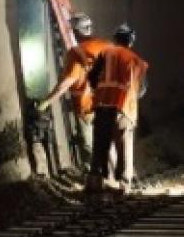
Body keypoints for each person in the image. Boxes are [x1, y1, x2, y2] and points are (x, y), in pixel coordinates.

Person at [37, 12, 109, 168]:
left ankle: (97, 183)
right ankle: (122, 181)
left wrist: (47, 101)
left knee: (90, 147)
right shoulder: (106, 45)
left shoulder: (76, 53)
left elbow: (66, 83)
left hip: (88, 107)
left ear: (75, 32)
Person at [87, 23, 148, 193]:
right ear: (131, 41)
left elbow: (91, 77)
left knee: (100, 144)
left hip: (102, 106)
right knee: (124, 146)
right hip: (124, 110)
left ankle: (95, 182)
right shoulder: (137, 61)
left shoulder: (105, 53)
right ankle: (124, 184)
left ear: (115, 39)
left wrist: (101, 91)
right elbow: (142, 88)